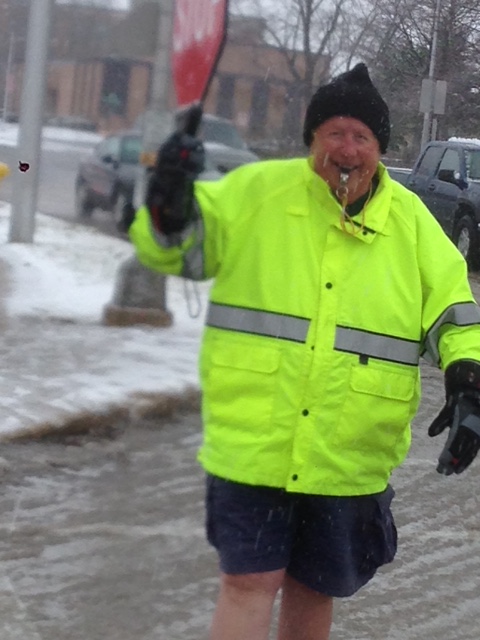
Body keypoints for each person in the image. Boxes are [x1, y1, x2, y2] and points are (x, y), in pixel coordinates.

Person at [128, 63, 480, 640]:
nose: (346, 148)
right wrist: (168, 211)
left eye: (361, 136)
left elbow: (454, 309)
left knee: (315, 590)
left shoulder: (413, 224)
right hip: (255, 441)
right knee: (248, 585)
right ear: (310, 140)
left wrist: (469, 376)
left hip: (349, 452)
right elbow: (181, 251)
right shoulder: (256, 192)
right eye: (333, 133)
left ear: (380, 148)